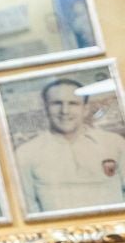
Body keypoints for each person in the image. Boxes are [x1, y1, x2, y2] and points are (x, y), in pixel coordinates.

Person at [13, 78, 125, 215]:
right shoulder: (25, 153)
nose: (65, 111)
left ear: (85, 109)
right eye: (56, 103)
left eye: (73, 103)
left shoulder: (114, 143)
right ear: (45, 109)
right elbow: (27, 209)